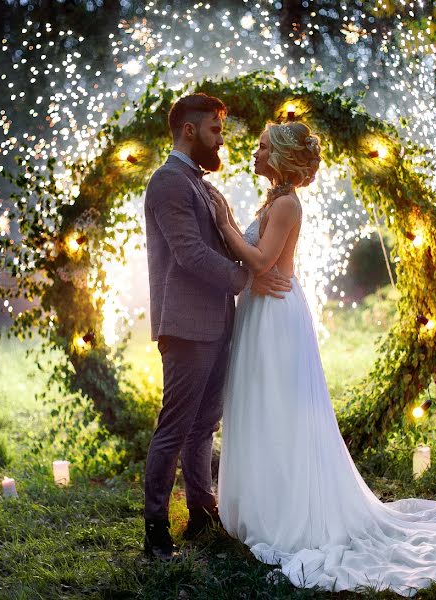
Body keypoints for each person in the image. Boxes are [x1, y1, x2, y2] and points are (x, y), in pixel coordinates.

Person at [209, 121, 436, 595]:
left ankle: (287, 510)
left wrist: (223, 220)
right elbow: (258, 264)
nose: (254, 153)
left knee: (281, 410)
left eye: (262, 147)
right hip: (259, 309)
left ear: (283, 156)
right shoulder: (275, 200)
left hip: (276, 316)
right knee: (260, 407)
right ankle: (261, 501)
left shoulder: (289, 204)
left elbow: (260, 263)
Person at [142, 94, 292, 560]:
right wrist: (245, 277)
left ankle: (203, 512)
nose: (220, 140)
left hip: (216, 321)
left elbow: (223, 242)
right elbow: (189, 253)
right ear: (189, 130)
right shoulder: (169, 182)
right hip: (186, 326)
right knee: (175, 426)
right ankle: (155, 531)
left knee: (204, 424)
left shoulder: (201, 183)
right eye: (214, 130)